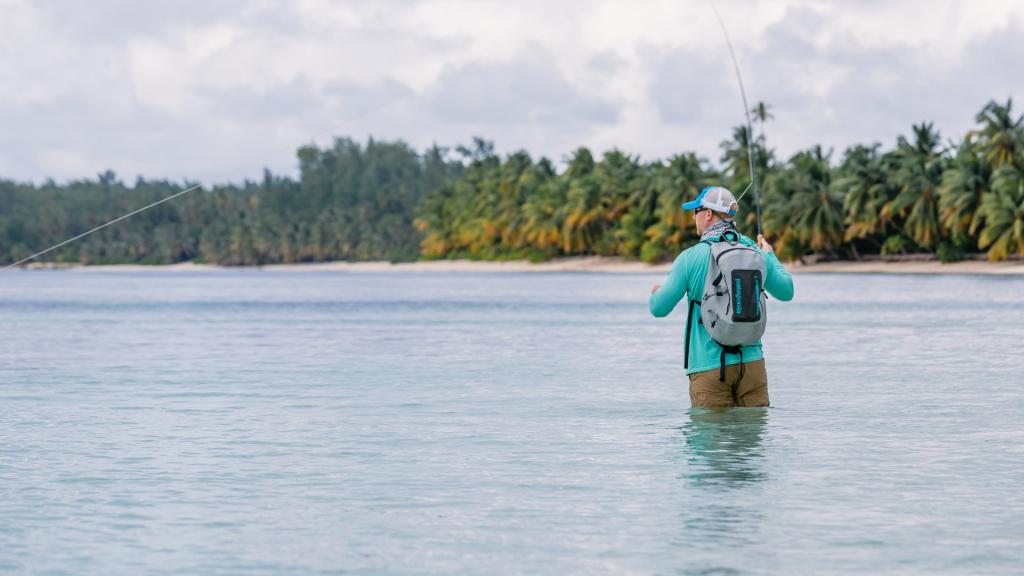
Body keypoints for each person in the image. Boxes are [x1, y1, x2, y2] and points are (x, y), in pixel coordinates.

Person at [649, 186, 794, 408]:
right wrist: (770, 255)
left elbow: (659, 309)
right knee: (751, 441)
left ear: (708, 214)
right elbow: (786, 291)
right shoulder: (755, 252)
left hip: (708, 368)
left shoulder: (690, 258)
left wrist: (655, 292)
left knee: (710, 441)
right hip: (752, 364)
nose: (693, 217)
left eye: (696, 211)